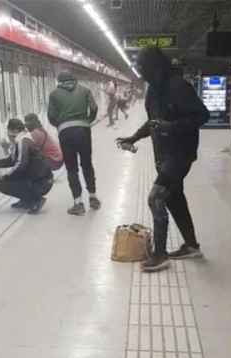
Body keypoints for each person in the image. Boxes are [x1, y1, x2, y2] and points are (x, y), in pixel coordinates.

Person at [116, 47, 209, 272]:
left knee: (155, 197)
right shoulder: (153, 91)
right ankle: (191, 245)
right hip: (164, 154)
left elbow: (202, 115)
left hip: (180, 154)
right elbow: (153, 122)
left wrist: (172, 127)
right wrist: (134, 137)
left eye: (141, 66)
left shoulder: (178, 87)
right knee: (174, 198)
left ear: (155, 66)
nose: (139, 71)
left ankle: (160, 255)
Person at [48, 71, 101, 215]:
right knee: (87, 164)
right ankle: (93, 197)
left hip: (65, 132)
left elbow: (51, 116)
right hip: (83, 130)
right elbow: (94, 108)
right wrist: (88, 121)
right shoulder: (85, 90)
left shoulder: (54, 94)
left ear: (59, 81)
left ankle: (78, 203)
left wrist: (60, 125)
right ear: (74, 79)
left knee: (72, 168)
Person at [0, 119, 53, 214]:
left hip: (42, 182)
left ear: (15, 131)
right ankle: (26, 201)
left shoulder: (22, 141)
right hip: (41, 179)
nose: (7, 135)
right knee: (5, 180)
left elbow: (21, 165)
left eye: (8, 131)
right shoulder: (21, 140)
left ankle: (36, 199)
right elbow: (8, 161)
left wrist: (6, 175)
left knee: (3, 183)